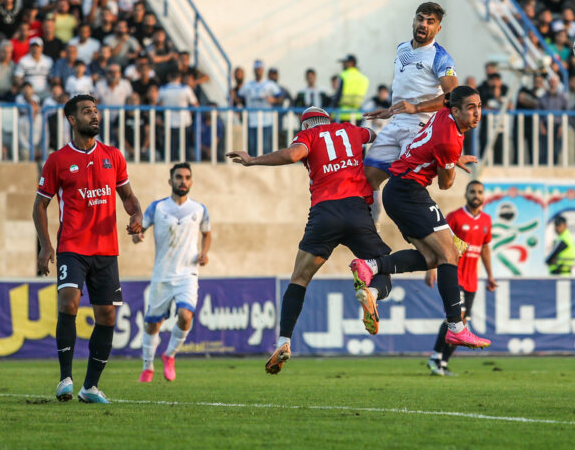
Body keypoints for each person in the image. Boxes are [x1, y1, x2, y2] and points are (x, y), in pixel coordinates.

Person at [226, 107, 393, 374]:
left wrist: (253, 160)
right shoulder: (350, 130)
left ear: (305, 126)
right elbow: (378, 136)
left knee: (299, 278)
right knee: (384, 266)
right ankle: (371, 294)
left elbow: (293, 154)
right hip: (357, 210)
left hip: (325, 214)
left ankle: (283, 342)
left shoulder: (309, 135)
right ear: (328, 120)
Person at [350, 86, 491, 351]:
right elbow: (447, 183)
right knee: (450, 254)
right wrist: (449, 162)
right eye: (470, 107)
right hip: (409, 192)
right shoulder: (450, 140)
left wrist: (449, 159)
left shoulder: (442, 115)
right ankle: (456, 328)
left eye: (479, 106)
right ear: (456, 110)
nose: (477, 113)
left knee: (433, 258)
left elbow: (435, 138)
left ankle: (371, 265)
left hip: (399, 191)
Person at [33, 94, 143, 404]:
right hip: (72, 247)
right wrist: (45, 246)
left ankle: (90, 387)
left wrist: (137, 215)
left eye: (95, 111)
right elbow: (40, 205)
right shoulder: (57, 160)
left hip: (107, 249)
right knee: (68, 304)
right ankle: (65, 379)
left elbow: (129, 197)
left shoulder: (113, 156)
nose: (94, 116)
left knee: (107, 316)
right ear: (71, 119)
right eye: (86, 111)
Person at [362, 2, 458, 223]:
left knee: (408, 186)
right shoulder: (402, 48)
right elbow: (407, 87)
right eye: (420, 18)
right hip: (396, 123)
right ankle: (371, 230)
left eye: (430, 21)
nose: (423, 24)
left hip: (421, 127)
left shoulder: (440, 57)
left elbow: (453, 96)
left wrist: (416, 108)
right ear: (414, 20)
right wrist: (390, 110)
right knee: (367, 177)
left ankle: (443, 233)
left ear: (438, 29)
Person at [132, 162, 211, 382]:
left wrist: (204, 253)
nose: (183, 181)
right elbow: (139, 230)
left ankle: (170, 356)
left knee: (186, 316)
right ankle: (148, 366)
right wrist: (137, 236)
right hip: (162, 274)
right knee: (152, 324)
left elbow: (207, 233)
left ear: (191, 181)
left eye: (187, 177)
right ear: (171, 181)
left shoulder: (199, 209)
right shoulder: (157, 208)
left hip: (187, 274)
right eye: (179, 177)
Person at [424, 180, 497, 376]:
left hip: (472, 281)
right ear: (466, 194)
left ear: (483, 196)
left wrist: (490, 275)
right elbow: (438, 240)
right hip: (455, 277)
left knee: (461, 324)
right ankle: (435, 358)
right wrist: (431, 268)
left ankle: (443, 363)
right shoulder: (455, 217)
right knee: (457, 319)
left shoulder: (486, 221)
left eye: (480, 192)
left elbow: (484, 248)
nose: (476, 195)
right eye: (472, 191)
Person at [333, 54, 368, 122]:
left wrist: (332, 108)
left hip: (342, 115)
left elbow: (338, 95)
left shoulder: (343, 75)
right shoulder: (364, 78)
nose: (343, 64)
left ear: (351, 63)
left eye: (345, 62)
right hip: (357, 115)